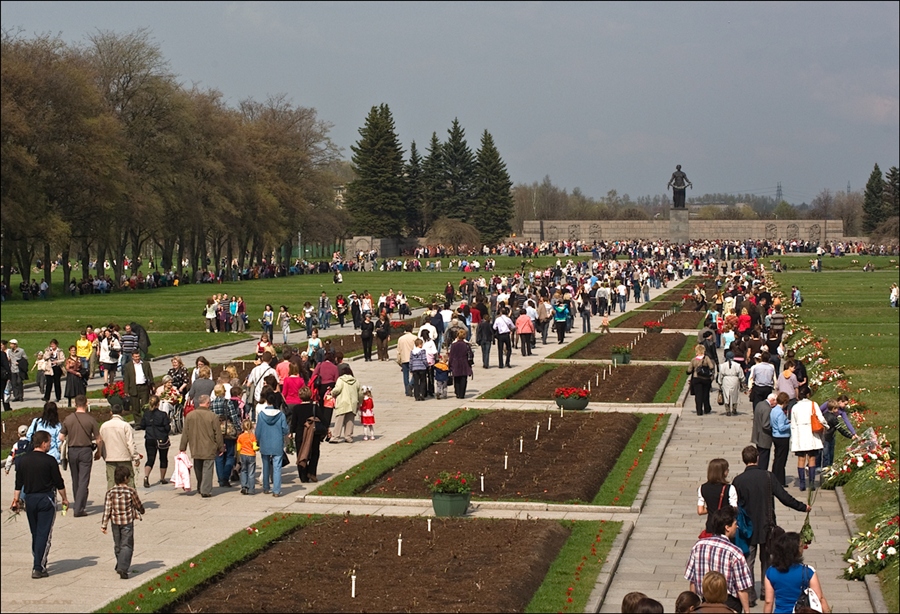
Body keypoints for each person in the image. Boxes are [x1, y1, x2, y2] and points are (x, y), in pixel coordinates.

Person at [733, 446, 810, 608]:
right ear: (758, 458)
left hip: (747, 528)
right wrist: (802, 507)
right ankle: (765, 592)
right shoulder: (768, 476)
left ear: (744, 460)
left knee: (749, 560)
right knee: (767, 560)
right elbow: (784, 497)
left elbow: (734, 506)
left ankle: (750, 595)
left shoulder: (738, 480)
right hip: (767, 526)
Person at [10, 430, 68, 579]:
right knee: (44, 534)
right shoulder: (49, 461)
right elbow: (58, 482)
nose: (50, 445)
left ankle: (37, 559)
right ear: (43, 444)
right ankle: (38, 566)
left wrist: (16, 500)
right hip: (45, 499)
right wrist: (64, 498)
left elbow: (18, 483)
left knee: (35, 532)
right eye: (49, 442)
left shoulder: (23, 461)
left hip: (29, 500)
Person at [684, 506, 753, 613]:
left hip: (705, 601)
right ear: (727, 527)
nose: (737, 526)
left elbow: (692, 580)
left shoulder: (698, 546)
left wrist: (693, 604)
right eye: (735, 524)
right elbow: (742, 588)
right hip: (729, 604)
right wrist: (747, 611)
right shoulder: (735, 552)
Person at [764, 531, 831, 614]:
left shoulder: (771, 572)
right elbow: (819, 598)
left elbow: (768, 602)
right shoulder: (808, 571)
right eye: (801, 546)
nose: (803, 548)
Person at [100, 464, 145, 579]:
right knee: (127, 544)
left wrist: (104, 524)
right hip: (127, 521)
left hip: (115, 522)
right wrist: (141, 510)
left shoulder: (110, 492)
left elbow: (107, 509)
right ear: (125, 478)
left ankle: (120, 563)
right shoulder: (130, 491)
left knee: (118, 544)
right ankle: (123, 567)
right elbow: (137, 503)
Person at [179, 394, 224, 498]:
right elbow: (218, 433)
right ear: (208, 403)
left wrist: (182, 447)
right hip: (209, 446)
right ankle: (205, 490)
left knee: (198, 467)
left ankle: (200, 486)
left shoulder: (190, 415)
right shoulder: (213, 416)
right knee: (207, 468)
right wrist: (221, 447)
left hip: (195, 446)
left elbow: (185, 432)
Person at [790, 389, 827, 491]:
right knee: (812, 458)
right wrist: (826, 426)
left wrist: (793, 438)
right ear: (808, 394)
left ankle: (802, 483)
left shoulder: (795, 407)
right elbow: (820, 418)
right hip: (811, 433)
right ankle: (811, 483)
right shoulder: (813, 404)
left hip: (800, 433)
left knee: (801, 459)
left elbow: (793, 424)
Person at [256, 391, 290, 496]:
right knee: (277, 467)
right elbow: (285, 429)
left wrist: (257, 440)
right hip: (277, 442)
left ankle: (266, 487)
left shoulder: (261, 415)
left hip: (265, 442)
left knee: (265, 465)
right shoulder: (281, 415)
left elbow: (258, 431)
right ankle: (276, 490)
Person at [99, 404, 138, 490]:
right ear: (122, 412)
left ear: (111, 412)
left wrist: (102, 454)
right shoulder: (125, 425)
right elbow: (130, 443)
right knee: (129, 479)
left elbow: (100, 442)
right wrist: (136, 456)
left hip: (109, 457)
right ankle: (131, 498)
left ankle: (111, 499)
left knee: (111, 480)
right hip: (124, 457)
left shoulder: (104, 426)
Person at [210, 384, 240, 488]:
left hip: (216, 432)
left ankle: (220, 479)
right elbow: (234, 417)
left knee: (219, 455)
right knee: (230, 455)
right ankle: (226, 477)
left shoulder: (212, 404)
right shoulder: (228, 403)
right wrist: (239, 430)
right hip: (228, 431)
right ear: (223, 392)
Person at [698, 458, 737, 536]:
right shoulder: (729, 488)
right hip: (725, 527)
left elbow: (700, 511)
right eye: (726, 469)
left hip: (710, 526)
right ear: (723, 472)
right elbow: (734, 509)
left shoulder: (702, 488)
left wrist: (710, 507)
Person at [139, 396, 171, 488]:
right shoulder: (162, 414)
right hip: (161, 439)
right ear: (158, 404)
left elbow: (142, 425)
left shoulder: (146, 414)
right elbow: (167, 427)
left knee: (150, 459)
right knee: (163, 458)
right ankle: (162, 478)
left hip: (149, 438)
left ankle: (146, 476)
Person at [819, 395, 856, 467]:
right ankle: (820, 467)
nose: (845, 406)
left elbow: (846, 421)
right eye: (845, 404)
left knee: (830, 452)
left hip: (831, 431)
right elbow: (818, 411)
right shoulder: (829, 404)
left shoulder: (841, 411)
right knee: (824, 452)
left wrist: (853, 432)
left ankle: (827, 467)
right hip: (824, 430)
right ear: (840, 402)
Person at [123, 350, 154, 428]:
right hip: (134, 387)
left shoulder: (145, 364)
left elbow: (150, 375)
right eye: (135, 357)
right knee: (135, 407)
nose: (137, 358)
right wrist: (126, 390)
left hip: (144, 387)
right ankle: (138, 423)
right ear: (132, 357)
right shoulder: (128, 366)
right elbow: (126, 379)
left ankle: (146, 421)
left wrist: (152, 385)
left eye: (138, 356)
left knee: (145, 406)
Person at [331, 363, 361, 443]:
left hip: (343, 402)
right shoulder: (356, 381)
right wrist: (359, 402)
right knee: (350, 420)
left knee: (339, 420)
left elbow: (337, 389)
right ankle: (348, 437)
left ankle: (335, 437)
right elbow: (360, 393)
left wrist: (332, 393)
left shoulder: (340, 380)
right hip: (353, 402)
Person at [770, 392, 792, 487]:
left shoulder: (774, 410)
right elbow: (781, 427)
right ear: (785, 402)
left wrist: (787, 421)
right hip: (782, 437)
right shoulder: (780, 412)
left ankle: (774, 477)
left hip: (775, 436)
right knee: (781, 460)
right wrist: (791, 425)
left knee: (777, 458)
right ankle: (780, 481)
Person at [751, 393, 777, 472]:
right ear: (772, 400)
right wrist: (774, 430)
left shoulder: (760, 404)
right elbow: (765, 425)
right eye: (776, 402)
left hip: (757, 435)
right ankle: (762, 473)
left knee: (760, 456)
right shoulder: (767, 409)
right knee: (764, 459)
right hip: (764, 437)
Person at [688, 344, 716, 416]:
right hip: (706, 379)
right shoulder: (706, 358)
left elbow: (689, 370)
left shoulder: (694, 360)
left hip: (696, 378)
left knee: (698, 395)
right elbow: (711, 367)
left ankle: (699, 411)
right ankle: (707, 408)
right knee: (706, 394)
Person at [717, 351, 744, 416]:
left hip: (726, 380)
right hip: (735, 380)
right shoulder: (737, 365)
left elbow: (720, 375)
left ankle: (728, 410)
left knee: (726, 395)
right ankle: (734, 409)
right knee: (735, 394)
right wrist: (742, 381)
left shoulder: (722, 365)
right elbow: (741, 375)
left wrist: (720, 382)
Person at [448, 329, 473, 399]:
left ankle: (457, 393)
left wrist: (449, 365)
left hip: (455, 363)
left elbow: (451, 356)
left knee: (456, 379)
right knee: (463, 379)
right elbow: (470, 355)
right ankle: (462, 394)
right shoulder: (467, 345)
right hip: (464, 362)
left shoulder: (453, 345)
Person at [236, 419, 259, 494]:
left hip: (243, 454)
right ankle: (251, 489)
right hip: (251, 455)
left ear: (242, 427)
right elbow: (255, 447)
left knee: (243, 470)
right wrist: (257, 448)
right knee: (251, 473)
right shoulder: (252, 436)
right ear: (251, 427)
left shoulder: (240, 436)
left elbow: (238, 448)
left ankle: (244, 486)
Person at [396, 328, 417, 397]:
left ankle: (407, 390)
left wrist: (399, 360)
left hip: (404, 358)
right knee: (415, 374)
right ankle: (410, 385)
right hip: (413, 358)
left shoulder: (401, 339)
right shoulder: (414, 338)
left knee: (405, 375)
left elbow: (398, 350)